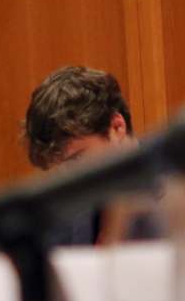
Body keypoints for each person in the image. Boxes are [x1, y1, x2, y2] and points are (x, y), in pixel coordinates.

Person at [22, 66, 139, 245]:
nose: (68, 178)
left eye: (76, 159)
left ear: (117, 127)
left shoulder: (176, 199)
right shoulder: (62, 223)